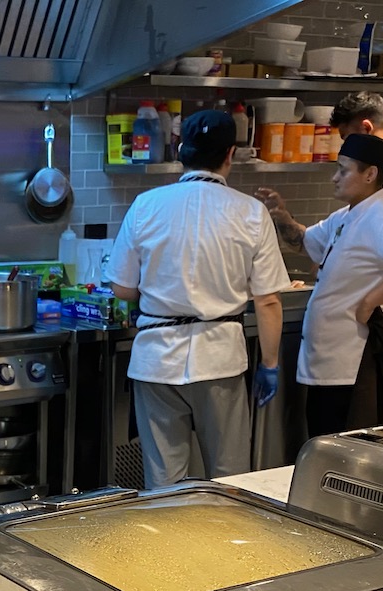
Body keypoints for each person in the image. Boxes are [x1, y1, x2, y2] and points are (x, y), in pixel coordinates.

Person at [105, 109, 289, 487]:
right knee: (228, 478)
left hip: (155, 361)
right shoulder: (251, 212)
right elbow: (267, 301)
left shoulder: (146, 205)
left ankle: (168, 546)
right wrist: (269, 365)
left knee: (163, 481)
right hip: (219, 360)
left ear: (179, 150)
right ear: (231, 154)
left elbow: (122, 289)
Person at [256, 92, 383, 396]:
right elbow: (308, 242)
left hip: (365, 346)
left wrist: (369, 302)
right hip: (344, 353)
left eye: (342, 169)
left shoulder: (380, 205)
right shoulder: (351, 212)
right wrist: (282, 217)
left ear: (369, 174)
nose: (335, 178)